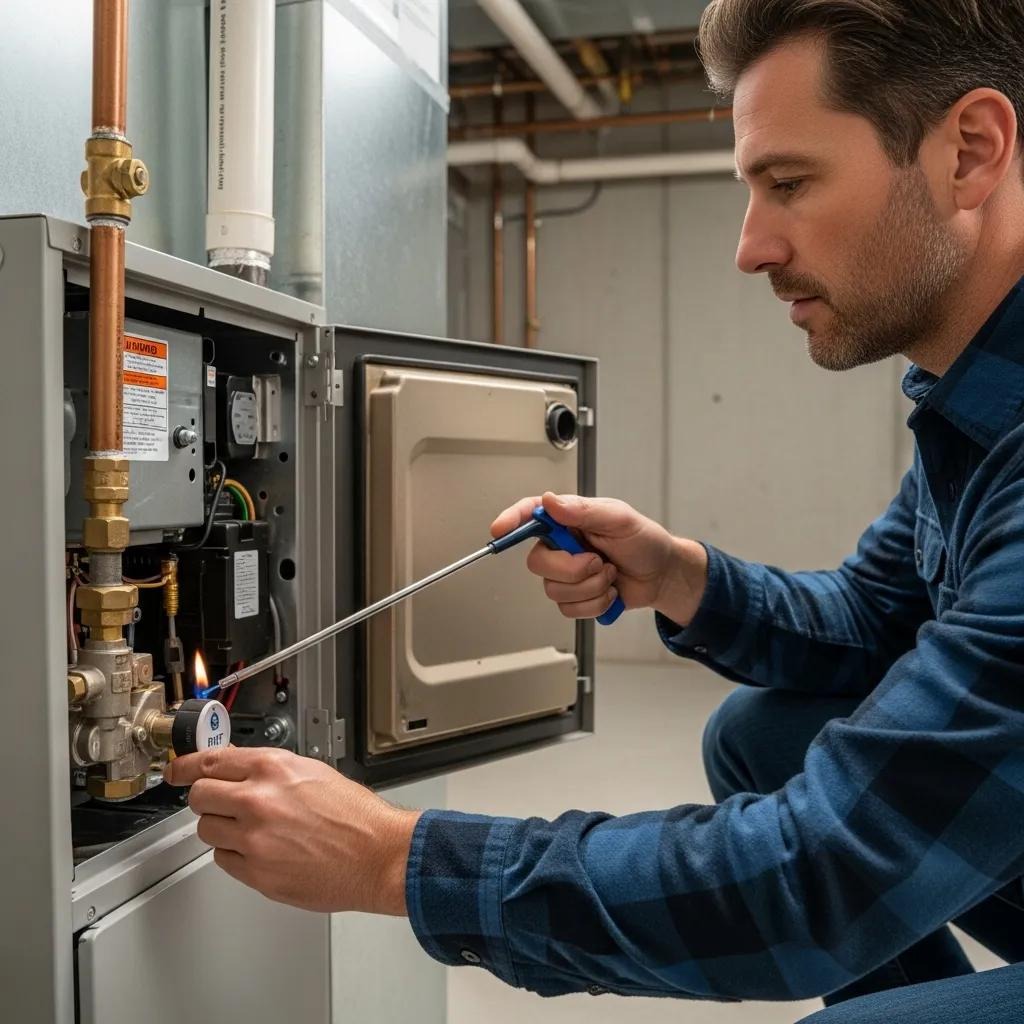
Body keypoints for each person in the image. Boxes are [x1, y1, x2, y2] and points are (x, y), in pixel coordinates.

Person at [164, 1, 1024, 1019]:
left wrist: (392, 857)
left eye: (788, 183)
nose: (751, 247)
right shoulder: (969, 409)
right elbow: (873, 628)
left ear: (969, 151)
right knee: (763, 734)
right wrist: (677, 574)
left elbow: (811, 878)